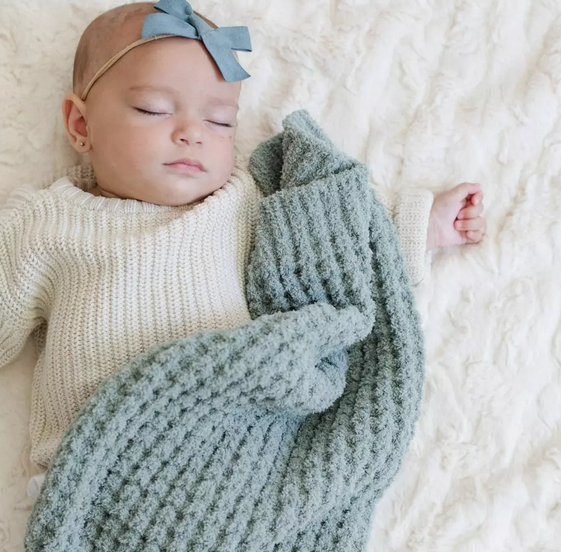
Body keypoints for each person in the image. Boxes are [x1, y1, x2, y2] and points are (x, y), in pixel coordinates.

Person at [0, 0, 486, 502]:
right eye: (154, 110)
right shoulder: (45, 223)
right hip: (100, 473)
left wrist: (419, 226)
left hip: (233, 454)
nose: (191, 134)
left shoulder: (242, 201)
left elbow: (330, 249)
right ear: (81, 126)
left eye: (219, 121)